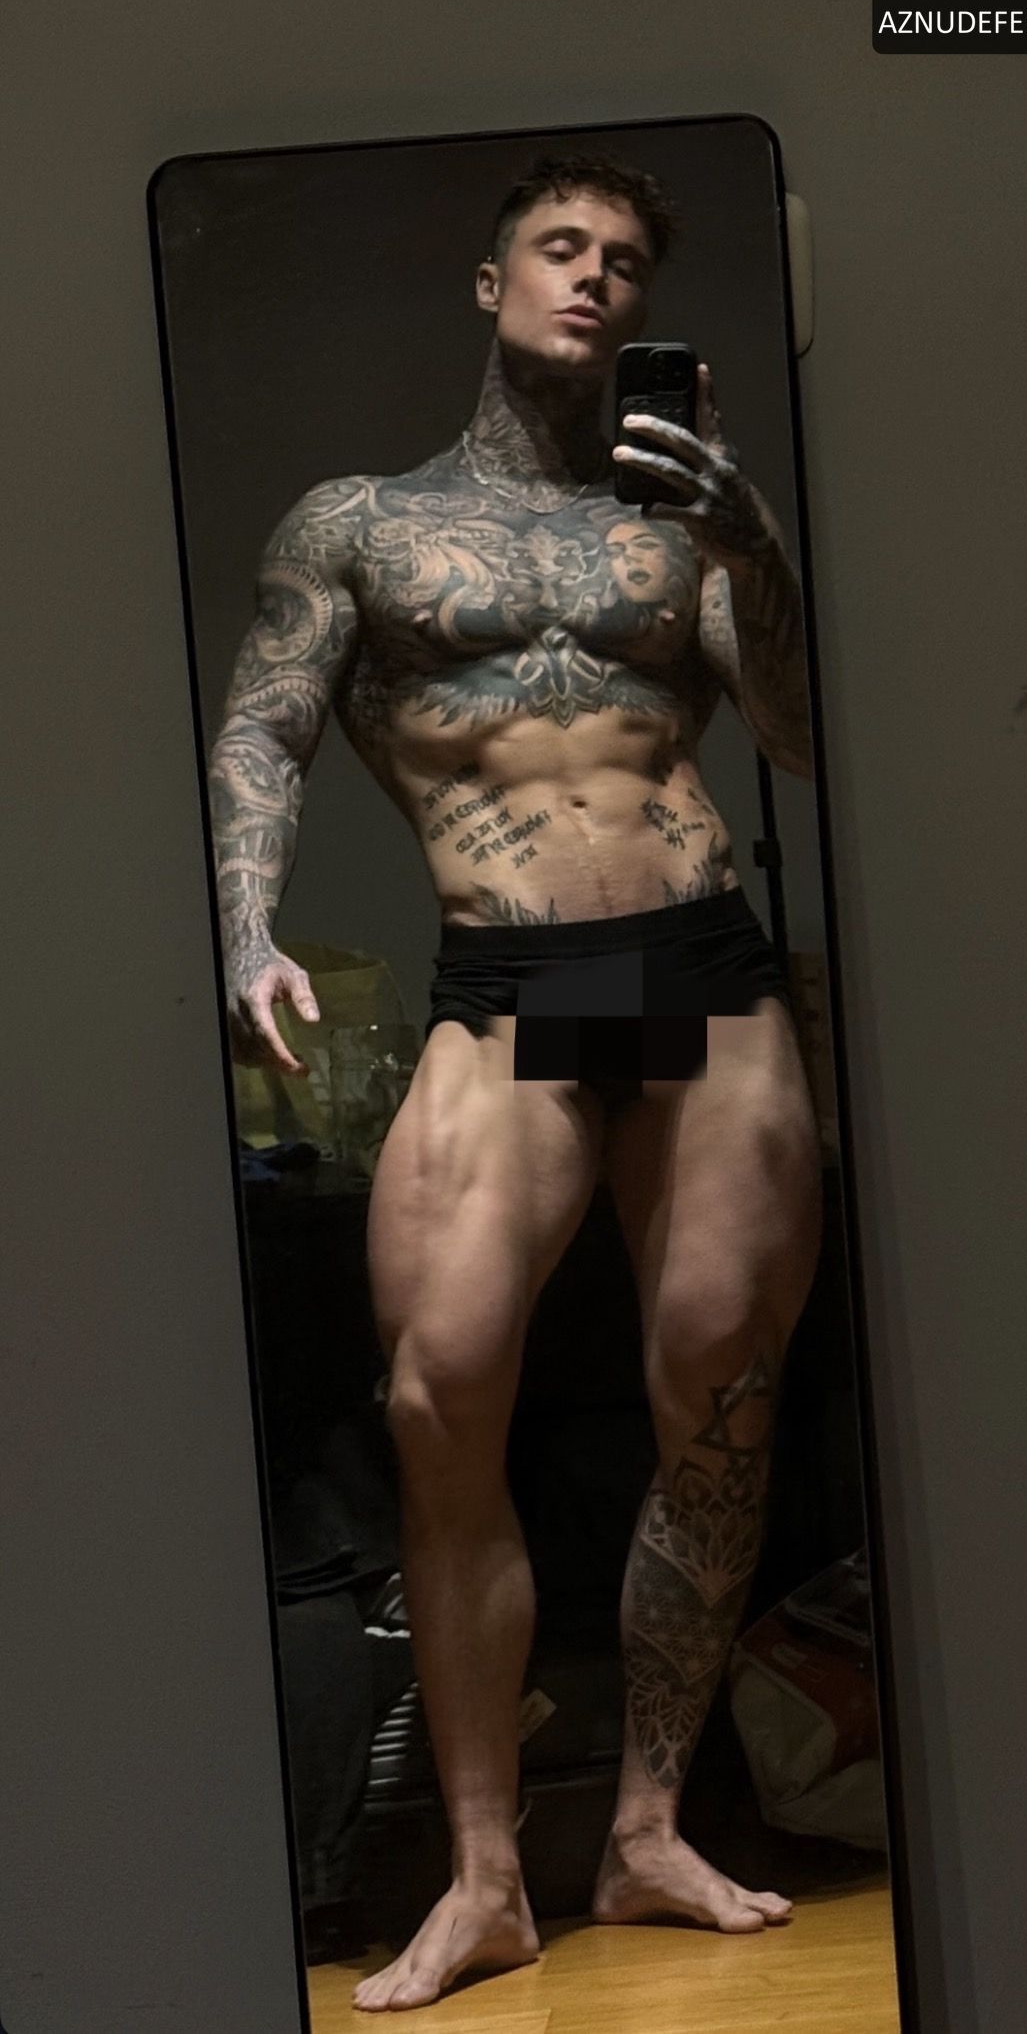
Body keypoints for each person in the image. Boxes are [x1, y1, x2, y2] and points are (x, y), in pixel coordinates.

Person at [208, 151, 823, 2015]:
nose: (593, 277)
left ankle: (642, 1828)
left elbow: (795, 737)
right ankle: (484, 1880)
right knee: (438, 1386)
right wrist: (244, 929)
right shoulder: (362, 523)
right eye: (560, 247)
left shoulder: (680, 525)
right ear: (490, 284)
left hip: (695, 965)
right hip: (515, 975)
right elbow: (265, 728)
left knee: (718, 1388)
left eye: (623, 258)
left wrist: (754, 549)